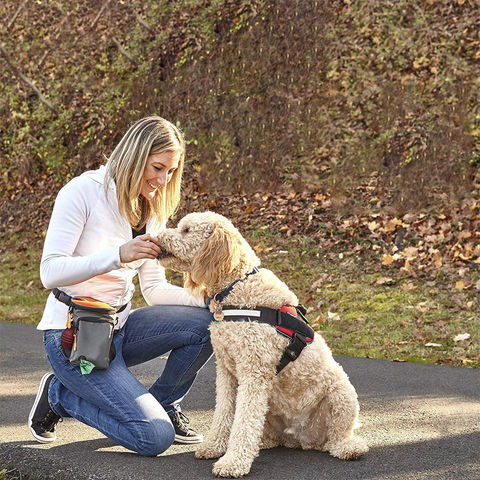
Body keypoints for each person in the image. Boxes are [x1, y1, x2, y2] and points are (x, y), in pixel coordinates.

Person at [28, 116, 213, 456]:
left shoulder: (151, 209)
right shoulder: (82, 192)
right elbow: (49, 272)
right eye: (157, 168)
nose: (162, 180)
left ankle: (162, 405)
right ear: (135, 155)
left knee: (208, 325)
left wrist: (209, 298)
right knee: (154, 438)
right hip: (74, 336)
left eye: (171, 171)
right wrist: (118, 255)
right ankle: (60, 395)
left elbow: (155, 289)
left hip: (121, 328)